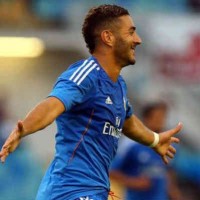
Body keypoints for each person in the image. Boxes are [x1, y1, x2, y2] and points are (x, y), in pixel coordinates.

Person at [0, 4, 182, 200]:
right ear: (108, 37)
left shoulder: (118, 84)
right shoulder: (86, 74)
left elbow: (126, 120)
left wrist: (154, 139)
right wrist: (24, 129)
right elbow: (52, 105)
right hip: (70, 190)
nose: (138, 40)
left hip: (94, 191)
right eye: (131, 33)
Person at [110, 102, 182, 200]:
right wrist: (134, 182)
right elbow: (111, 172)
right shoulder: (131, 144)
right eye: (157, 117)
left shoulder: (168, 145)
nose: (161, 121)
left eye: (163, 117)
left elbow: (168, 174)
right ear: (146, 118)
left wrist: (175, 195)